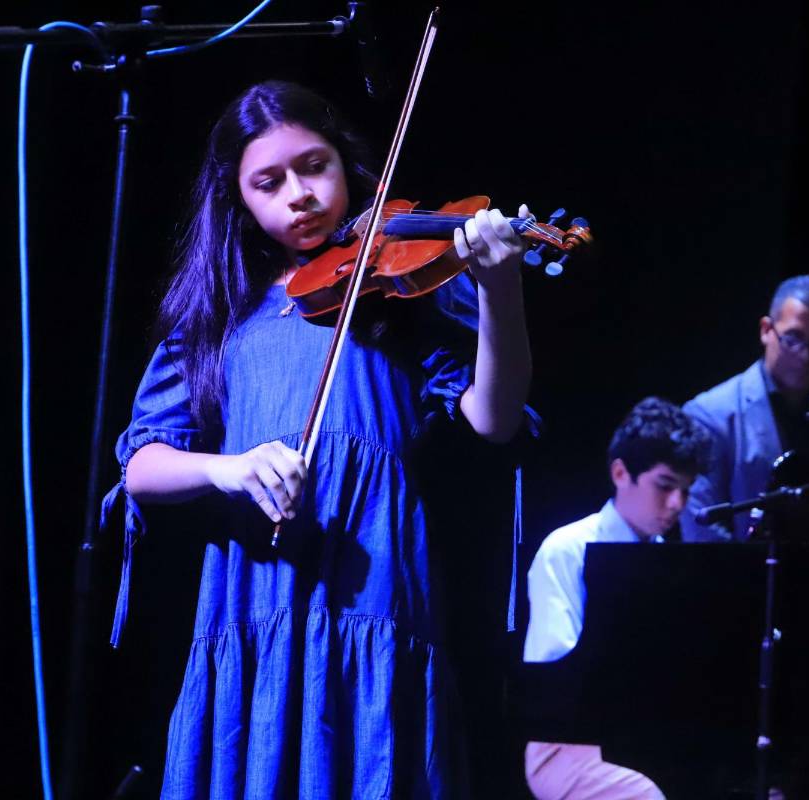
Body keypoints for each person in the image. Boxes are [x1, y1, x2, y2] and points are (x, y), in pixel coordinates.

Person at [103, 80, 535, 799]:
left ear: (345, 162)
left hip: (373, 580)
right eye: (267, 183)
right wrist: (231, 469)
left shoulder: (403, 287)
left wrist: (500, 288)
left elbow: (493, 416)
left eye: (314, 165)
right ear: (238, 200)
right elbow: (143, 465)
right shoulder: (222, 310)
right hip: (254, 592)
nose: (298, 194)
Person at [523, 397, 711, 799]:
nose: (678, 504)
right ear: (621, 473)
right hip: (568, 746)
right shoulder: (568, 548)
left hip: (650, 737)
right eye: (665, 486)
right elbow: (554, 681)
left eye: (685, 490)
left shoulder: (671, 559)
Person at [680, 275, 809, 542]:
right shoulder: (710, 414)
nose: (805, 355)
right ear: (766, 330)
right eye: (793, 338)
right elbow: (700, 527)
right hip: (738, 580)